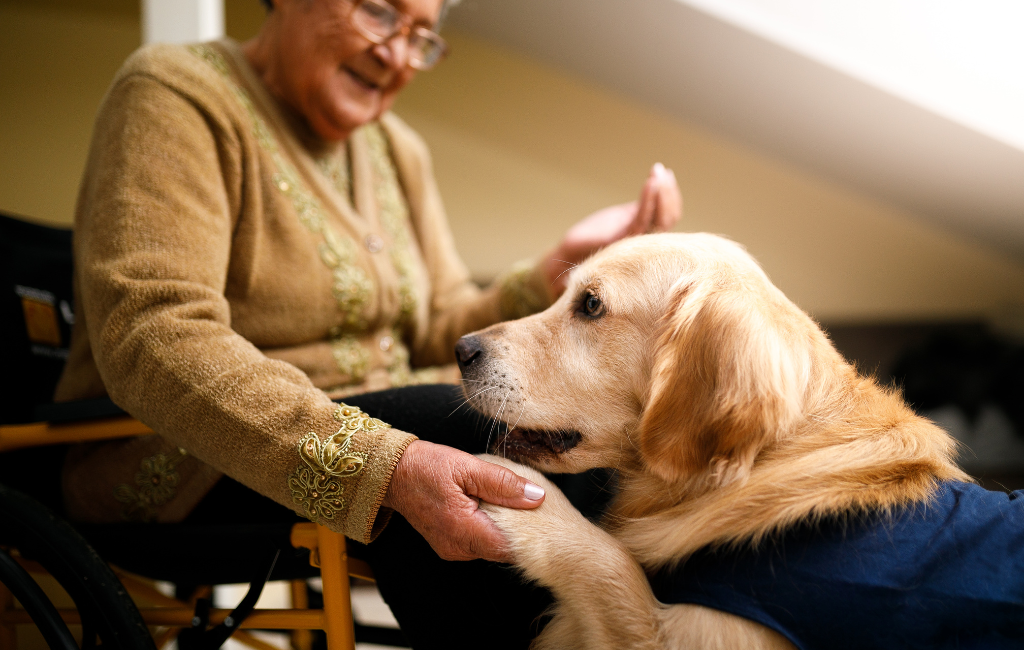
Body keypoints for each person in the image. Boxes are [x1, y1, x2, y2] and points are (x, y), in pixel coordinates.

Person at [53, 0, 680, 645]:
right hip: (184, 462)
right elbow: (152, 335)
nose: (397, 55)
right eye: (379, 12)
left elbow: (442, 325)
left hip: (385, 415)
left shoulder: (395, 148)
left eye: (423, 37)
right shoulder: (174, 94)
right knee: (475, 436)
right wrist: (387, 465)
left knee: (586, 447)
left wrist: (557, 263)